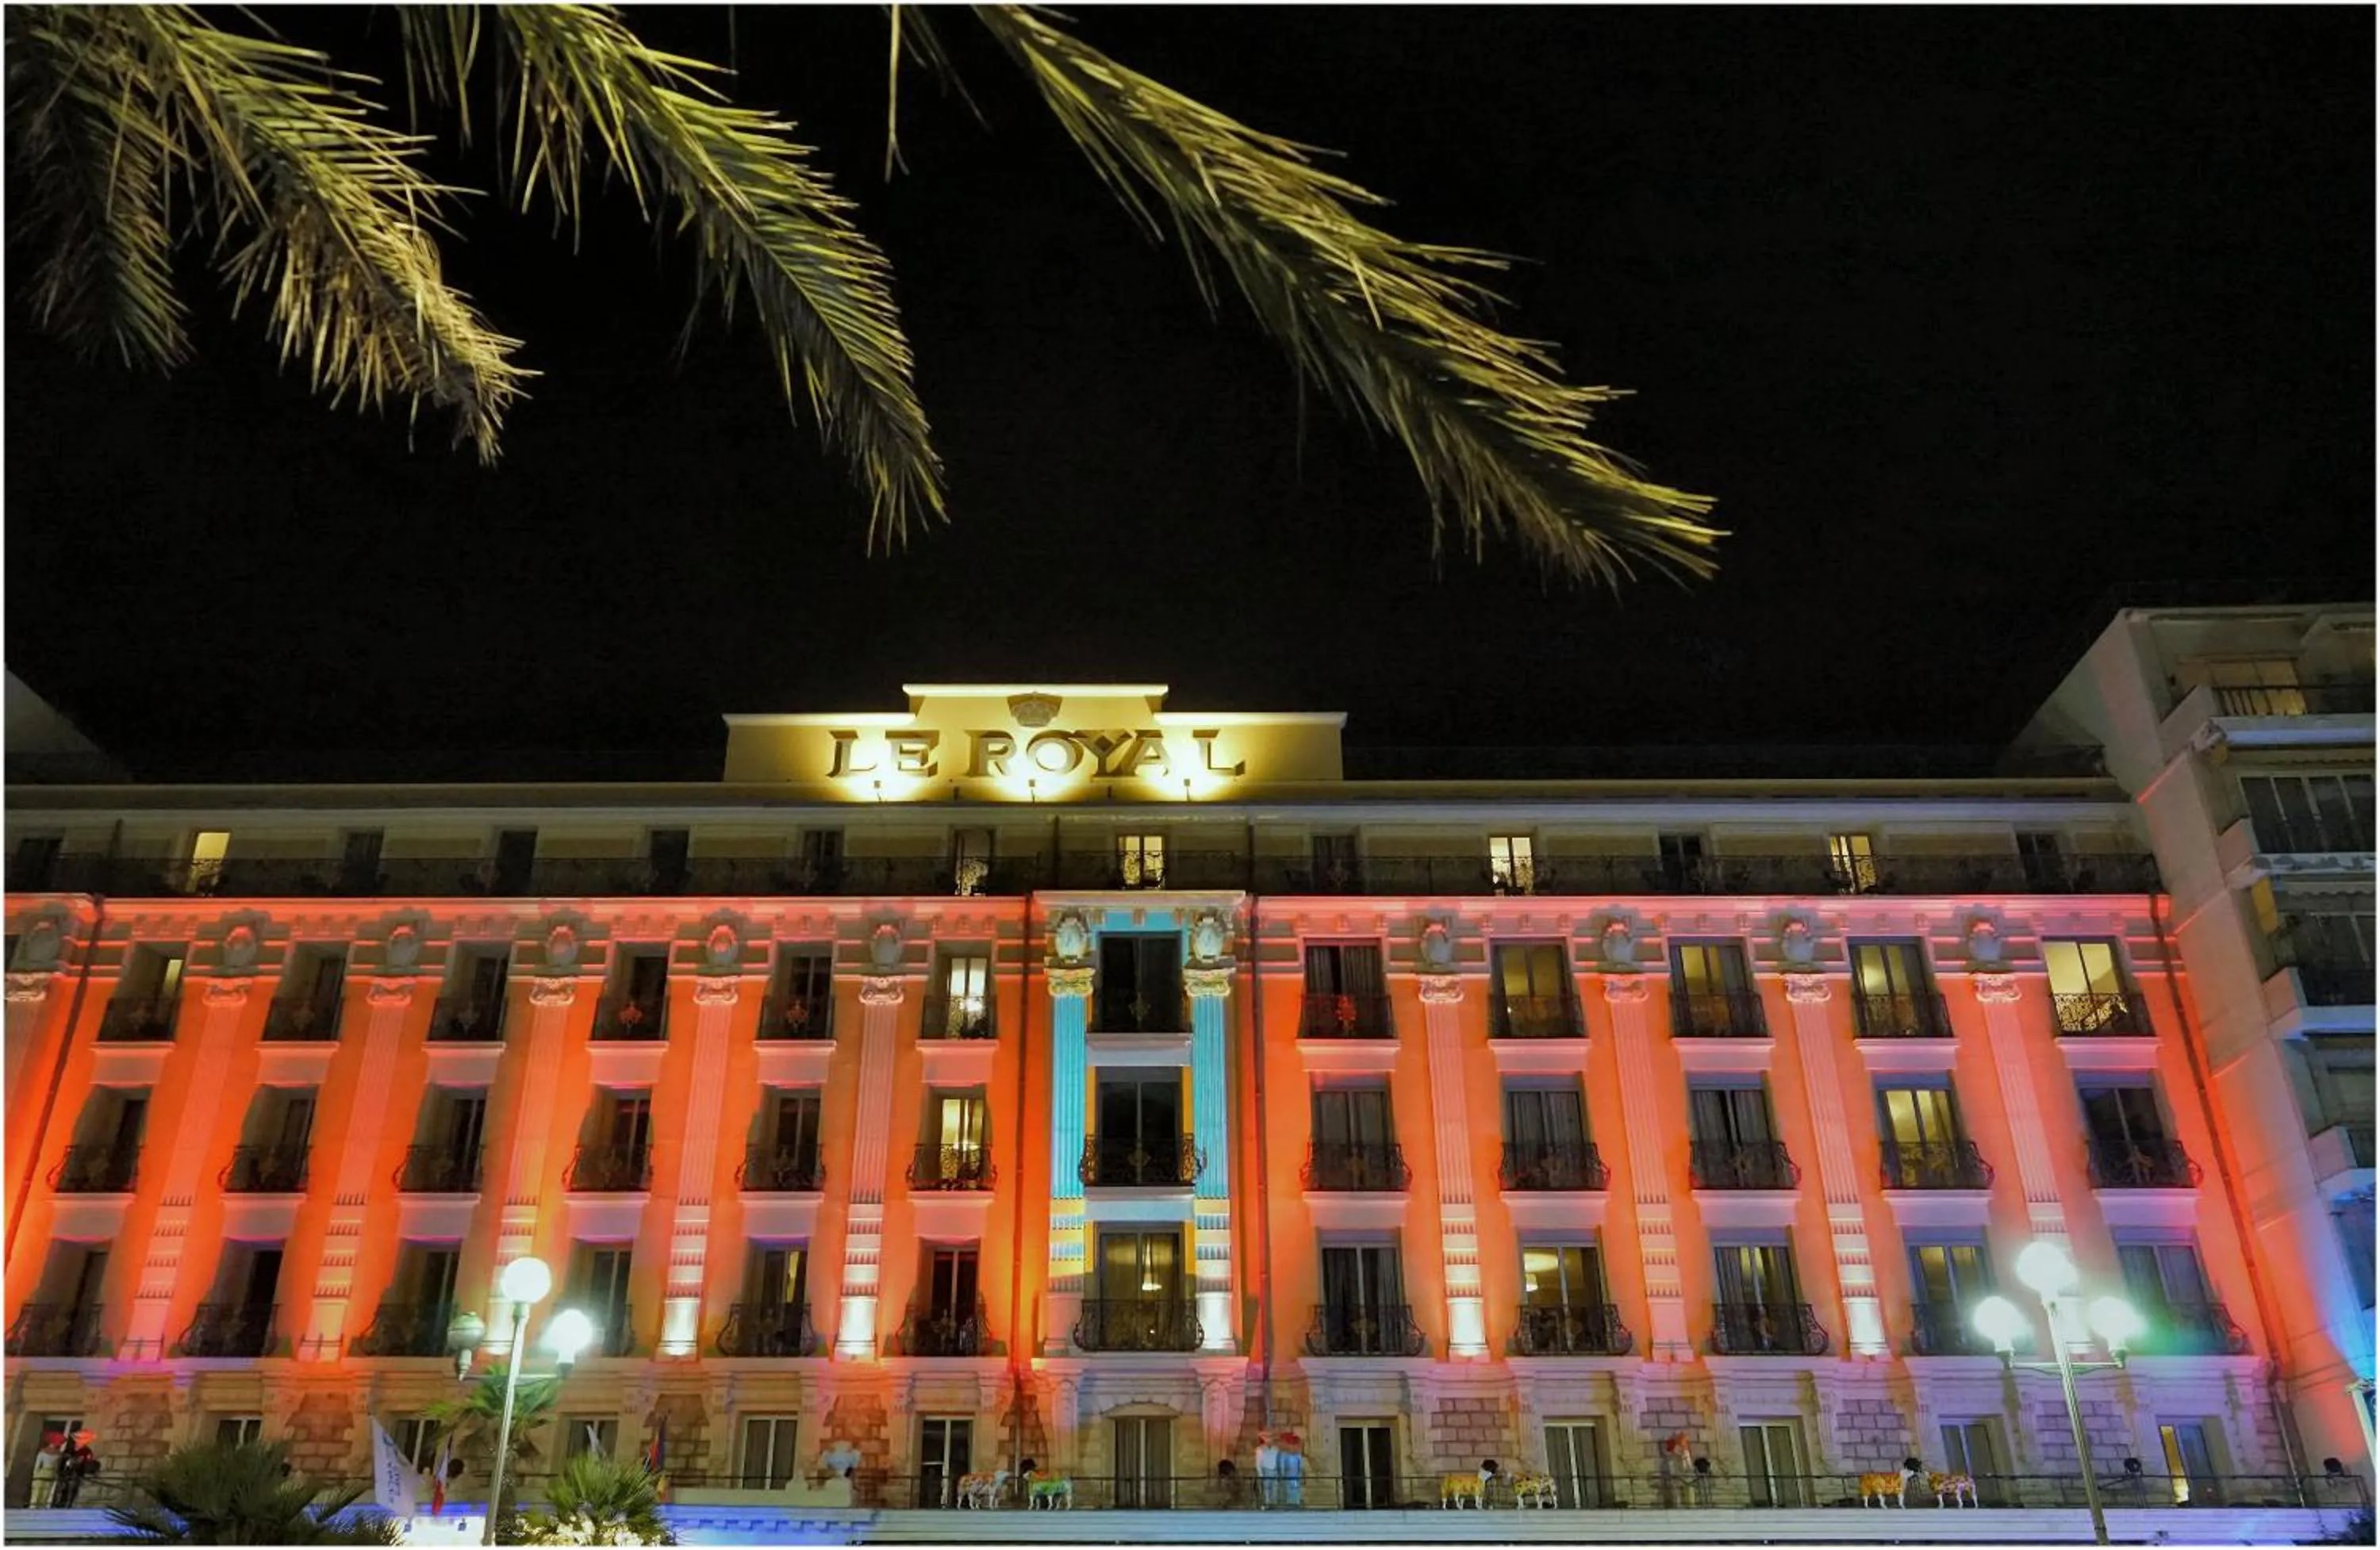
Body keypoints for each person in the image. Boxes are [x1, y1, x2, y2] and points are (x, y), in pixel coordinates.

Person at [30, 1433, 63, 1508]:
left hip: (49, 1475)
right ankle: (33, 1510)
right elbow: (37, 1465)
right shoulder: (43, 1452)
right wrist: (35, 1475)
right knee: (37, 1494)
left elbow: (57, 1467)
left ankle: (39, 1510)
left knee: (45, 1495)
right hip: (42, 1474)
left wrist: (55, 1475)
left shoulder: (58, 1454)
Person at [1276, 1430, 1303, 1507]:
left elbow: (1300, 1467)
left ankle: (1295, 1504)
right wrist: (1281, 1476)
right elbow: (1281, 1467)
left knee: (1295, 1491)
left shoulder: (1298, 1456)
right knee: (1286, 1492)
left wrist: (1301, 1475)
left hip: (1295, 1477)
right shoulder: (1283, 1455)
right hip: (1286, 1477)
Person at [1253, 1433, 1279, 1508]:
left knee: (1274, 1489)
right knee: (1266, 1490)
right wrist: (1261, 1474)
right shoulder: (1260, 1450)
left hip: (1274, 1471)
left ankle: (1273, 1505)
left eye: (1270, 1438)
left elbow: (1277, 1461)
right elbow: (1258, 1464)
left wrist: (1278, 1472)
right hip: (1266, 1471)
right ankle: (1266, 1505)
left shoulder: (1276, 1449)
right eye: (1267, 1438)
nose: (1269, 1440)